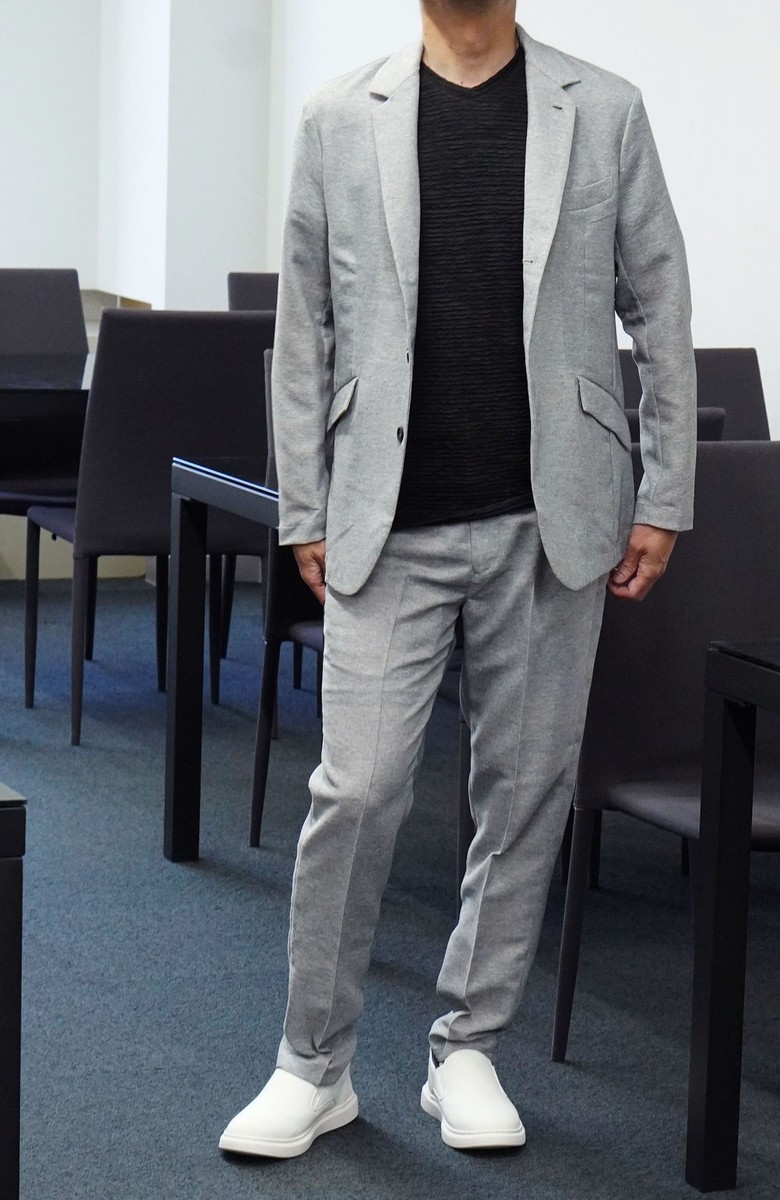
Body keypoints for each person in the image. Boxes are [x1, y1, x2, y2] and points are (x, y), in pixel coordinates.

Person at [220, 0, 695, 1159]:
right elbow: (304, 326)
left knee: (525, 790)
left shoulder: (604, 110)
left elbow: (660, 305)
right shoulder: (339, 115)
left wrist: (664, 493)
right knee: (357, 790)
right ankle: (311, 1064)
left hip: (553, 518)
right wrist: (304, 504)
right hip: (387, 520)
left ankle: (468, 1046)